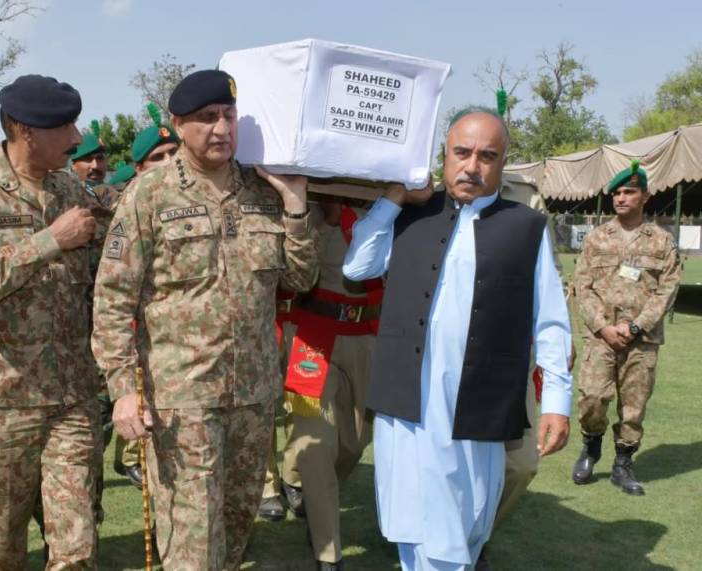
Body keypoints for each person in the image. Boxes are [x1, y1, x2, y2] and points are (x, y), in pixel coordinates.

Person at [92, 69, 318, 570]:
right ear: (177, 125)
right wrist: (121, 387)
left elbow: (300, 280)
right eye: (206, 118)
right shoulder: (150, 195)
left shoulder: (263, 190)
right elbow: (112, 298)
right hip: (181, 400)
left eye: (228, 116)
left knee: (235, 530)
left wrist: (296, 205)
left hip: (254, 396)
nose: (221, 128)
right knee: (192, 545)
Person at [342, 107, 573, 570]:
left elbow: (551, 320)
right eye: (461, 152)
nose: (472, 166)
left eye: (487, 156)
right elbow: (357, 267)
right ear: (443, 157)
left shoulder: (526, 228)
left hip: (474, 407)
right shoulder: (408, 216)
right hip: (406, 403)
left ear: (503, 164)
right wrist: (393, 197)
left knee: (460, 524)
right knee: (411, 520)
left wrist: (557, 403)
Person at [0, 74, 102, 569]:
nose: (77, 138)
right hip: (0, 401)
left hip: (71, 397)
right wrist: (50, 240)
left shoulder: (69, 187)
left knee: (77, 546)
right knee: (5, 549)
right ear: (24, 130)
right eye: (65, 126)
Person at [277, 194, 381, 570]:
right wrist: (319, 218)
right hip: (312, 335)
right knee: (317, 443)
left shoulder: (386, 203)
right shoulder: (304, 208)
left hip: (366, 333)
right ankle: (328, 553)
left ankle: (315, 496)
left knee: (354, 441)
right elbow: (288, 270)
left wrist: (352, 214)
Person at [571, 161, 681, 496]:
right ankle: (591, 446)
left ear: (645, 196)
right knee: (592, 397)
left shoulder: (661, 242)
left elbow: (669, 289)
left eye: (629, 192)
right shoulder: (596, 238)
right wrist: (604, 327)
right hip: (601, 337)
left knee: (634, 406)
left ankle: (623, 465)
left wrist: (635, 326)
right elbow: (582, 286)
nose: (621, 198)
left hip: (642, 340)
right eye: (616, 193)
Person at [111, 103, 183, 488]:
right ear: (138, 170)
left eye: (175, 153)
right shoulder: (133, 207)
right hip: (145, 347)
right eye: (159, 157)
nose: (169, 162)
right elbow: (114, 294)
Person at [71, 120, 108, 187]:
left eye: (100, 158)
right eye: (87, 159)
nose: (95, 166)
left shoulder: (120, 195)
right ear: (73, 165)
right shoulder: (63, 195)